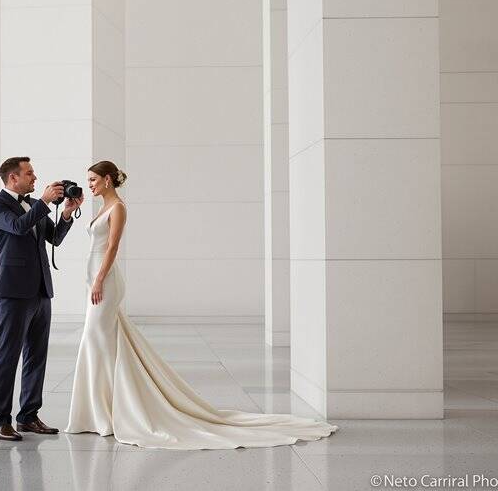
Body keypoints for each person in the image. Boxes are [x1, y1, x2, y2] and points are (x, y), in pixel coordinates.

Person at [64, 160, 340, 450]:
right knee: (103, 342)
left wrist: (99, 280)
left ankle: (108, 412)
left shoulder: (118, 207)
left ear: (108, 179)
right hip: (94, 278)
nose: (90, 184)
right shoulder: (100, 208)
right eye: (89, 180)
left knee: (94, 340)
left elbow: (112, 247)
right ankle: (101, 411)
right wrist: (73, 215)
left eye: (94, 179)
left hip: (104, 280)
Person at [0, 156, 84, 441]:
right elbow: (17, 227)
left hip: (41, 291)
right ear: (13, 178)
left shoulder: (32, 206)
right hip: (13, 292)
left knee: (36, 356)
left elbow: (54, 238)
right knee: (8, 356)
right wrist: (42, 202)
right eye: (30, 173)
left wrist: (65, 213)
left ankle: (28, 416)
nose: (35, 178)